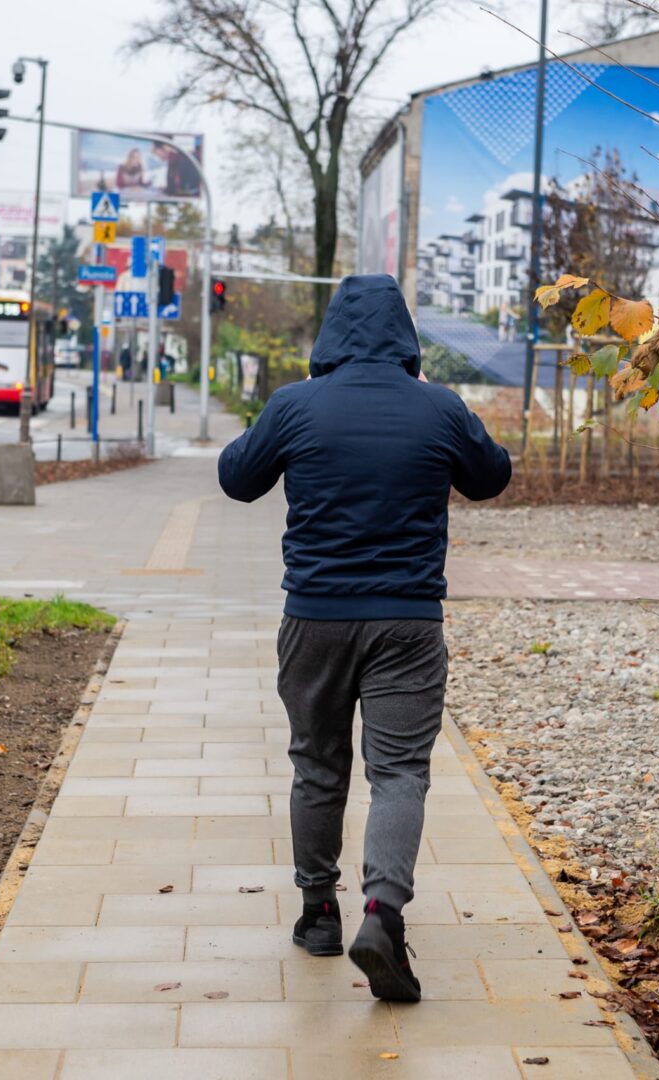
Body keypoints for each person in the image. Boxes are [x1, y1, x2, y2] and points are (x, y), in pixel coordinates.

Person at [217, 274, 511, 1003]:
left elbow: (236, 480)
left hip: (312, 618)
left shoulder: (294, 405)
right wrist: (449, 425)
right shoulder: (439, 408)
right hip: (407, 623)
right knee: (399, 773)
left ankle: (319, 914)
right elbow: (491, 478)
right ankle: (382, 915)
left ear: (330, 338)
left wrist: (271, 425)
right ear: (406, 340)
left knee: (316, 767)